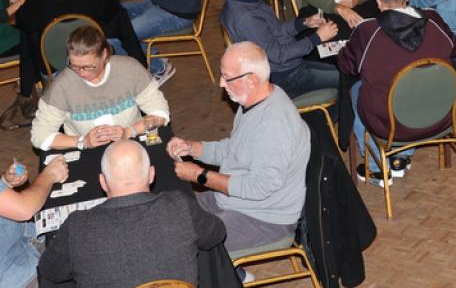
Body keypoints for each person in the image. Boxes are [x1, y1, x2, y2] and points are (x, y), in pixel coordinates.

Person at [167, 42, 310, 256]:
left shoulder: (273, 124)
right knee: (170, 213)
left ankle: (231, 272)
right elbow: (236, 150)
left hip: (264, 219)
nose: (221, 83)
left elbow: (259, 187)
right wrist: (194, 148)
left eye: (227, 78)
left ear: (251, 80)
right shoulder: (257, 100)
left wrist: (199, 175)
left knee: (184, 246)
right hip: (234, 200)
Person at [37, 139, 226, 288]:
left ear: (103, 182)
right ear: (151, 175)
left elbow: (51, 271)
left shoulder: (77, 226)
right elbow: (216, 234)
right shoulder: (180, 205)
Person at [2, 0, 147, 129]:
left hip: (57, 71)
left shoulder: (31, 6)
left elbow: (28, 50)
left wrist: (26, 87)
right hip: (95, 65)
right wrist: (141, 65)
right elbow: (120, 20)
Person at [338, 0, 456, 186]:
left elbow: (347, 66)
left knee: (356, 89)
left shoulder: (367, 31)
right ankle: (401, 157)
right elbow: (454, 47)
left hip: (390, 124)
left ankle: (377, 169)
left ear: (378, 3)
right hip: (438, 115)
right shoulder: (433, 20)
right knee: (417, 86)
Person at [30, 25, 169, 151]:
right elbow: (39, 136)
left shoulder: (129, 69)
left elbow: (160, 111)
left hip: (131, 144)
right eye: (75, 66)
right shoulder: (62, 86)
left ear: (104, 54)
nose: (82, 73)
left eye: (89, 67)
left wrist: (129, 131)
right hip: (87, 153)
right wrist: (82, 141)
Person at [221, 0, 340, 97]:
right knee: (346, 77)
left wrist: (304, 23)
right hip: (286, 77)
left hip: (291, 66)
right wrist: (317, 38)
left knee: (341, 68)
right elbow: (278, 55)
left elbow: (275, 31)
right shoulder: (246, 18)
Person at [0, 155, 69, 288]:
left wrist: (5, 183)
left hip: (27, 239)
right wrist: (50, 174)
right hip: (18, 276)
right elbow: (25, 209)